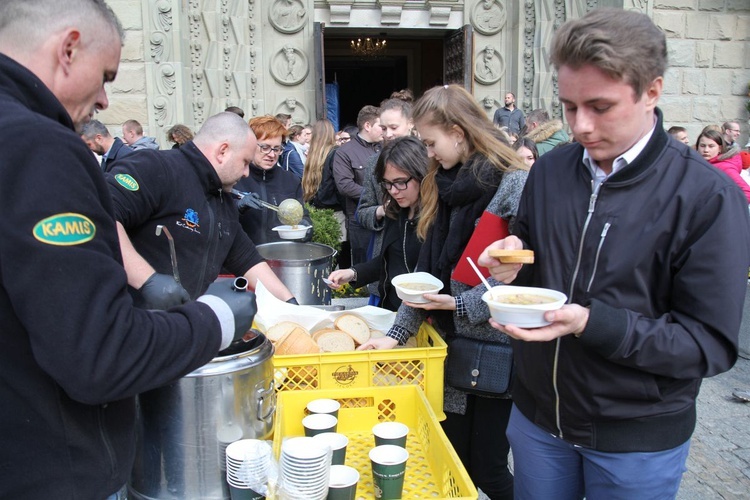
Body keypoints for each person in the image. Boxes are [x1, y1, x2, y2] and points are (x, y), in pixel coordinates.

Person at [477, 9, 750, 499]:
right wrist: (513, 257)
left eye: (600, 107)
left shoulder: (707, 197)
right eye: (568, 106)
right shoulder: (550, 171)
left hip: (636, 439)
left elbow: (708, 344)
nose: (580, 125)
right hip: (539, 419)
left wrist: (590, 323)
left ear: (652, 92)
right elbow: (532, 253)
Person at [0, 2, 257, 498]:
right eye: (105, 77)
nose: (103, 100)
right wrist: (216, 318)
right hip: (53, 471)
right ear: (68, 48)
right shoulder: (38, 147)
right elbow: (99, 355)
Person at [359, 84, 529, 499]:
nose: (429, 153)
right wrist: (395, 336)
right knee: (451, 459)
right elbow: (425, 277)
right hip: (448, 348)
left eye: (432, 142)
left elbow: (522, 284)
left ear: (458, 131)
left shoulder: (513, 184)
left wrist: (459, 303)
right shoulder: (440, 183)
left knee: (488, 469)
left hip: (494, 353)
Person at [108, 111, 296, 305]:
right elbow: (100, 214)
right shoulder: (156, 168)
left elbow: (247, 259)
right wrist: (148, 281)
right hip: (128, 317)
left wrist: (289, 301)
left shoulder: (223, 200)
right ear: (222, 151)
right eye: (245, 162)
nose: (247, 173)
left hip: (179, 323)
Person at [328, 136, 427, 311]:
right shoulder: (396, 211)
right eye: (388, 184)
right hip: (390, 307)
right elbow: (388, 261)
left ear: (421, 174)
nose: (394, 191)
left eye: (400, 182)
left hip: (420, 316)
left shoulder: (436, 217)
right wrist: (353, 273)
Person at [357, 95, 415, 304]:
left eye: (393, 127)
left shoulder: (427, 158)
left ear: (411, 124)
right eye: (383, 128)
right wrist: (381, 210)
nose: (388, 134)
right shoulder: (374, 163)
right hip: (384, 260)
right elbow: (362, 212)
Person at [234, 115, 312, 245]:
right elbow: (216, 219)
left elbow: (303, 216)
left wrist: (306, 227)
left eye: (277, 149)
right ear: (250, 145)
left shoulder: (290, 180)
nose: (271, 154)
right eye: (265, 147)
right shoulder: (234, 178)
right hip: (243, 258)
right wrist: (237, 207)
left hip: (282, 256)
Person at [333, 104, 383, 267]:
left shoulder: (384, 149)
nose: (384, 131)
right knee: (364, 267)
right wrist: (376, 195)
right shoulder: (345, 152)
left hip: (386, 218)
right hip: (360, 220)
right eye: (380, 126)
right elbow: (345, 186)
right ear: (367, 126)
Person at [696, 127, 750, 203]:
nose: (706, 150)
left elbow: (747, 193)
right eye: (702, 146)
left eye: (711, 146)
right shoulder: (698, 165)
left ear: (720, 148)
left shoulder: (725, 168)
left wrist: (723, 207)